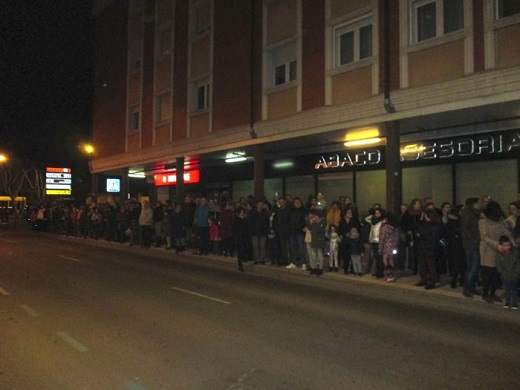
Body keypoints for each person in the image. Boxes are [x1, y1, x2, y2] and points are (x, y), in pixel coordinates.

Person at [479, 201, 511, 304]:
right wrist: (496, 245)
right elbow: (484, 237)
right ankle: (485, 293)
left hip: (499, 249)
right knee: (488, 273)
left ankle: (492, 293)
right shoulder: (483, 221)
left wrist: (512, 240)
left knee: (496, 274)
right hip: (488, 249)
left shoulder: (499, 220)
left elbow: (505, 231)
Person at [415, 208, 443, 290]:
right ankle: (423, 279)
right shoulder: (425, 224)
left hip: (430, 248)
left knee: (431, 266)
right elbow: (418, 229)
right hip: (423, 247)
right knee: (422, 265)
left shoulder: (436, 226)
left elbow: (433, 237)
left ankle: (432, 281)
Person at [460, 197, 482, 298]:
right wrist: (473, 239)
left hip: (474, 243)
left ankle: (471, 286)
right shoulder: (468, 213)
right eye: (479, 203)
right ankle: (467, 288)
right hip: (471, 244)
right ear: (474, 204)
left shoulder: (475, 213)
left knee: (474, 267)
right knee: (472, 267)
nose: (480, 204)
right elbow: (465, 229)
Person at [496, 235, 520, 309]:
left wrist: (516, 272)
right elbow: (499, 265)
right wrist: (502, 272)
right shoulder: (500, 255)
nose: (507, 247)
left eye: (508, 245)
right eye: (505, 245)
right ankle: (508, 300)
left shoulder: (515, 253)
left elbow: (517, 264)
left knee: (514, 289)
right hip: (505, 275)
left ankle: (514, 302)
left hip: (514, 275)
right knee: (507, 289)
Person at [286, 197, 307, 270]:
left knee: (301, 248)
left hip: (300, 232)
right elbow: (289, 220)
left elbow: (304, 221)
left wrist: (302, 227)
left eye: (298, 202)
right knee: (293, 248)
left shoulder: (303, 211)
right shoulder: (292, 211)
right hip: (293, 231)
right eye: (295, 203)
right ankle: (294, 262)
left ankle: (303, 263)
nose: (297, 204)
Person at [378, 213, 400, 282]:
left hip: (386, 246)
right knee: (391, 260)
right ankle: (392, 276)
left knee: (385, 260)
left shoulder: (385, 227)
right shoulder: (395, 227)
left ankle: (388, 275)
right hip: (393, 246)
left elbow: (382, 238)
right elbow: (397, 238)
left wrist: (380, 249)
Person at [247, 200, 270, 264]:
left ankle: (262, 259)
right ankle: (256, 259)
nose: (260, 206)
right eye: (259, 204)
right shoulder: (252, 213)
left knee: (263, 246)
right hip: (255, 232)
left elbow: (267, 223)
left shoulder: (265, 213)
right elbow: (250, 222)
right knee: (255, 246)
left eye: (261, 204)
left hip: (263, 232)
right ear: (256, 205)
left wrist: (267, 230)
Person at [365, 207, 384, 278]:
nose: (377, 214)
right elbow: (366, 219)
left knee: (379, 257)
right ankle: (378, 271)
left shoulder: (382, 221)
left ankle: (380, 272)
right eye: (376, 213)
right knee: (376, 257)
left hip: (379, 240)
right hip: (373, 240)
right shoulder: (372, 220)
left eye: (378, 213)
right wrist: (372, 215)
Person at [308, 210, 326, 276]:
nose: (315, 217)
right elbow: (311, 229)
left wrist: (317, 222)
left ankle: (320, 268)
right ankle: (314, 268)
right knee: (314, 255)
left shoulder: (323, 222)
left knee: (320, 254)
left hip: (320, 240)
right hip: (314, 239)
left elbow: (320, 229)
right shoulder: (313, 222)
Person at [233, 207, 249, 272]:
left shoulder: (245, 220)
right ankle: (240, 265)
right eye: (241, 212)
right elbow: (234, 229)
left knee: (244, 250)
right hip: (239, 238)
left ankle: (243, 259)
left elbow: (247, 228)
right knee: (240, 251)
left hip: (244, 237)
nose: (242, 213)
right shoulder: (236, 220)